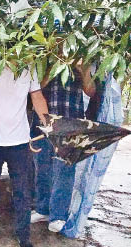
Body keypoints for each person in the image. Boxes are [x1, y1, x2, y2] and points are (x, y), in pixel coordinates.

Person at [0, 63, 49, 247]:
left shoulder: (29, 67)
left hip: (19, 141)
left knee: (23, 192)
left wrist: (49, 124)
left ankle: (23, 235)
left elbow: (37, 97)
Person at [31, 62, 96, 232]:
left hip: (71, 122)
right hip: (44, 122)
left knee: (65, 169)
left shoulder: (83, 59)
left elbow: (91, 91)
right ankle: (42, 209)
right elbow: (35, 87)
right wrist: (54, 66)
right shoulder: (44, 56)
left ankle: (58, 215)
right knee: (42, 167)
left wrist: (83, 71)